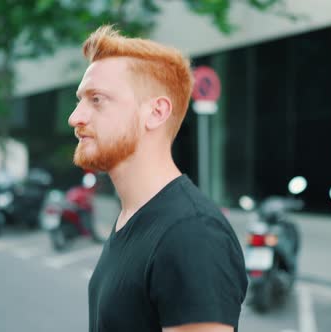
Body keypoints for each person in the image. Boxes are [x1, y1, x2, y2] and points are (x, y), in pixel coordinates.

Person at [68, 25, 247, 332]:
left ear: (156, 112)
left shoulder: (192, 234)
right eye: (80, 100)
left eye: (96, 99)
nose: (75, 117)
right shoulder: (133, 214)